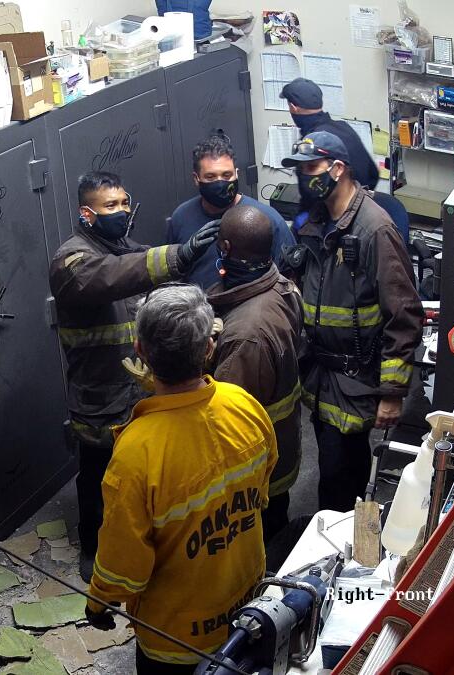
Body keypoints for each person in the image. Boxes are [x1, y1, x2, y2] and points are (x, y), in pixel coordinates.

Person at [84, 284, 277, 673]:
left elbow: (124, 560)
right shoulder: (244, 405)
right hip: (246, 608)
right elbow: (266, 478)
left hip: (176, 641)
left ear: (140, 351)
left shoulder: (137, 451)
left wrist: (100, 601)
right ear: (209, 348)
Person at [49, 171, 219, 582]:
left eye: (125, 203)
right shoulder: (71, 260)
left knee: (143, 473)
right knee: (99, 476)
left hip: (138, 387)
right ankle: (93, 546)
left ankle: (144, 541)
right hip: (100, 393)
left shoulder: (124, 246)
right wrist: (176, 256)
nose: (122, 212)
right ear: (87, 214)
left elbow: (140, 264)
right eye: (111, 206)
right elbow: (113, 275)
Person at [281, 132, 423, 512]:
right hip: (321, 374)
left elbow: (405, 314)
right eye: (299, 169)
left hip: (356, 380)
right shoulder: (315, 221)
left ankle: (343, 543)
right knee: (331, 466)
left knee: (344, 475)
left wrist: (392, 392)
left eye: (311, 168)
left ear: (338, 169)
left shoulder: (374, 229)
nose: (302, 177)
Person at [207, 204, 304, 545]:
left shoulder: (246, 335)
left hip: (255, 472)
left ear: (226, 249)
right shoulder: (281, 287)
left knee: (258, 544)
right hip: (279, 447)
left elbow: (224, 420)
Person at [166, 134, 295, 288]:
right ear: (196, 178)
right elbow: (171, 272)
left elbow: (290, 278)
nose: (220, 183)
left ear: (236, 174)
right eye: (211, 177)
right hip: (199, 308)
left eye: (227, 175)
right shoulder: (181, 217)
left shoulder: (266, 218)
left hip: (251, 308)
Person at [280, 78, 380, 191]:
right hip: (363, 200)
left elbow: (310, 190)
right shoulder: (343, 127)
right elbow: (373, 174)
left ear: (293, 107)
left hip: (336, 206)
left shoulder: (312, 141)